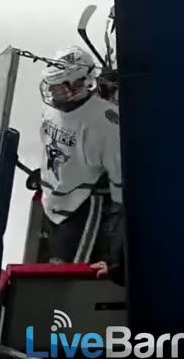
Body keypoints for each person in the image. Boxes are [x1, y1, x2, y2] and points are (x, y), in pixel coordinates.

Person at [28, 47, 123, 263]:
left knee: (73, 272)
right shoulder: (50, 111)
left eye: (59, 86)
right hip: (52, 200)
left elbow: (119, 173)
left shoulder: (104, 122)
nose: (52, 91)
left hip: (81, 207)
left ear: (82, 82)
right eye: (51, 85)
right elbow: (53, 146)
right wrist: (46, 174)